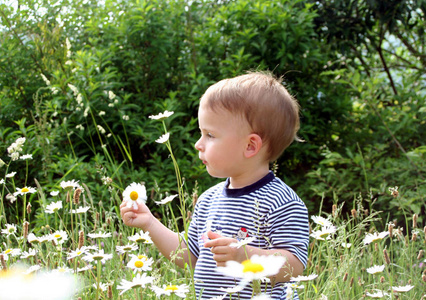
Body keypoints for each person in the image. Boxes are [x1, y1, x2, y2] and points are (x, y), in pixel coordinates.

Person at [120, 71, 309, 299]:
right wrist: (150, 223)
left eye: (210, 134)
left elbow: (296, 265)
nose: (199, 144)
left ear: (250, 146)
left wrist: (246, 256)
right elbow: (190, 256)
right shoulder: (208, 200)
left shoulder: (282, 201)